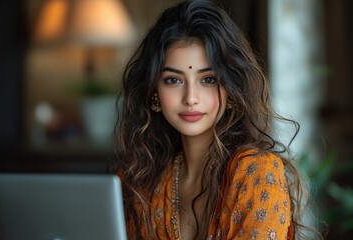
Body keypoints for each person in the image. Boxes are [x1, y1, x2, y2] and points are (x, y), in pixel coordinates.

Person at [107, 0, 316, 239]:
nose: (190, 98)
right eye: (173, 80)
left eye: (208, 79)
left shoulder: (256, 173)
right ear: (155, 91)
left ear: (231, 87)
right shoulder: (140, 179)